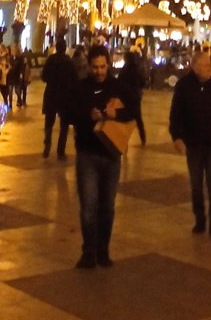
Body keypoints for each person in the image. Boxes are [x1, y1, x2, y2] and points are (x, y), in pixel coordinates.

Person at [69, 46, 134, 268]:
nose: (99, 71)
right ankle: (88, 251)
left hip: (111, 152)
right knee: (88, 205)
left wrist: (117, 113)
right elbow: (69, 114)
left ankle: (103, 250)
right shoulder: (81, 88)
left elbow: (134, 110)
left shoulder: (117, 87)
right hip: (87, 152)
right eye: (95, 67)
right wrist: (89, 115)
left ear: (108, 64)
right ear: (89, 66)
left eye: (103, 67)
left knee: (107, 205)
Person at [169, 50, 211, 236]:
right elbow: (176, 115)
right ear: (195, 67)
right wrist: (177, 137)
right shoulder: (183, 87)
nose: (209, 69)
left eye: (209, 65)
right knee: (196, 184)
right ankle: (200, 219)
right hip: (194, 143)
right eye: (206, 66)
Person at [41, 41, 76, 159]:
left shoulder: (51, 60)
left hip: (51, 94)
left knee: (49, 122)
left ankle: (47, 144)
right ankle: (61, 151)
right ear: (65, 49)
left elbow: (43, 76)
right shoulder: (69, 62)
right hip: (65, 96)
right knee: (64, 125)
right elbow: (74, 79)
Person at [118, 45, 148, 145]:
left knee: (124, 118)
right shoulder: (136, 69)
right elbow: (143, 81)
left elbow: (119, 82)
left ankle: (123, 139)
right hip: (136, 96)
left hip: (126, 96)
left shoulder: (124, 70)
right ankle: (143, 137)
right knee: (138, 117)